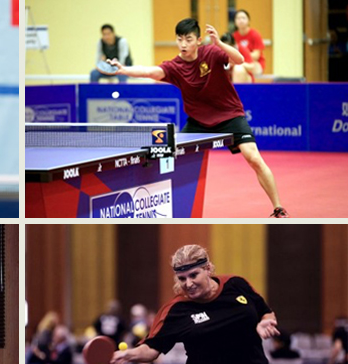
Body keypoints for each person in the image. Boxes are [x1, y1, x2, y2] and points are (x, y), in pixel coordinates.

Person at [108, 18, 289, 218]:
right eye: (179, 39)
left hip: (229, 114)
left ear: (198, 40)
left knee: (253, 158)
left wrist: (219, 43)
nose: (183, 44)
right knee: (168, 155)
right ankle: (154, 206)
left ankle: (278, 208)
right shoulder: (174, 66)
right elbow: (151, 72)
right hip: (198, 122)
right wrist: (123, 70)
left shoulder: (211, 52)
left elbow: (239, 60)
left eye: (188, 39)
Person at [111, 244, 281, 364]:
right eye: (182, 278)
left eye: (193, 275)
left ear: (207, 269)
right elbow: (151, 348)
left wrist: (266, 321)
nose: (188, 283)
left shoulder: (237, 285)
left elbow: (266, 312)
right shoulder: (176, 310)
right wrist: (128, 355)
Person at [232, 10, 265, 82]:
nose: (241, 20)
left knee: (238, 68)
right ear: (235, 22)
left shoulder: (255, 34)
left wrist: (240, 56)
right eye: (238, 18)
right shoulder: (233, 36)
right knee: (238, 69)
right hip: (240, 63)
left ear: (248, 21)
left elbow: (256, 56)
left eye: (243, 18)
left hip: (255, 63)